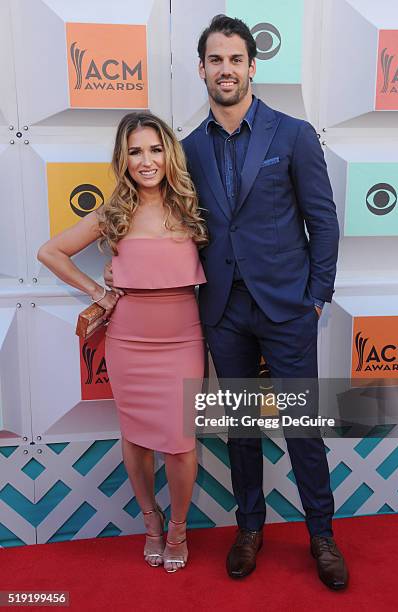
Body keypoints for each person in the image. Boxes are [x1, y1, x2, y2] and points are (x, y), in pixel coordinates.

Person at [106, 14, 348, 590]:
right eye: (215, 60)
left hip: (288, 309)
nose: (225, 70)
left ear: (252, 67)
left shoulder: (292, 134)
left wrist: (315, 298)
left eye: (235, 59)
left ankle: (322, 536)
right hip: (222, 313)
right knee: (241, 429)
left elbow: (324, 221)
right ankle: (249, 530)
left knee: (301, 428)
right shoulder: (184, 150)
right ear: (201, 69)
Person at [38, 112, 207, 573]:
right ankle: (150, 523)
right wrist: (99, 291)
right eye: (135, 151)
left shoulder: (194, 206)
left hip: (183, 340)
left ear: (169, 154)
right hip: (129, 341)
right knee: (135, 437)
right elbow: (50, 251)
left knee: (180, 441)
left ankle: (178, 527)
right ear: (123, 159)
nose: (146, 160)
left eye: (155, 149)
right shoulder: (113, 214)